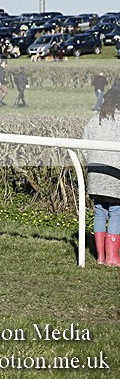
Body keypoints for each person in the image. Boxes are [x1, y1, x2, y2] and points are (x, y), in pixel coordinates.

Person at [82, 84, 120, 266]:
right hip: (115, 175)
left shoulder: (93, 120)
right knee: (116, 212)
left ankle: (101, 257)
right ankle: (113, 257)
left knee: (99, 212)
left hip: (95, 173)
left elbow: (84, 149)